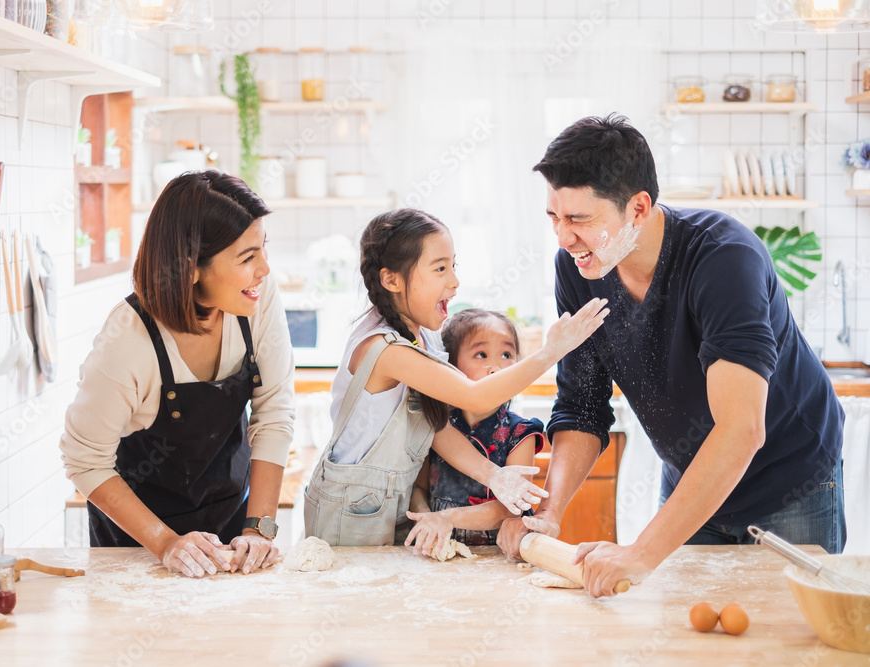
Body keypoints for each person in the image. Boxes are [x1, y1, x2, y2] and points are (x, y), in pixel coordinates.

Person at [497, 114, 846, 597]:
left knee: (786, 635)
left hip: (788, 480)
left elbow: (741, 428)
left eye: (580, 219)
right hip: (693, 478)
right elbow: (582, 405)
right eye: (555, 217)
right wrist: (550, 513)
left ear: (638, 208)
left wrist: (640, 552)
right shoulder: (579, 269)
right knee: (688, 634)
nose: (563, 237)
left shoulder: (723, 259)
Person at [304, 208, 609, 546]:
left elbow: (438, 428)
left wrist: (494, 475)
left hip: (391, 507)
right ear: (392, 280)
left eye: (453, 266)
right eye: (439, 269)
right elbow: (475, 395)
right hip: (349, 513)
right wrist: (553, 351)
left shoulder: (425, 338)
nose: (454, 281)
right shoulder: (385, 349)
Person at [60, 171, 295, 578]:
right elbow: (84, 460)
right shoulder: (127, 342)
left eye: (263, 249)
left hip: (231, 526)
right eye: (247, 257)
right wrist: (166, 543)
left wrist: (259, 530)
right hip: (137, 545)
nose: (265, 269)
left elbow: (273, 412)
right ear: (190, 269)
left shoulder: (254, 298)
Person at [404, 309, 545, 554]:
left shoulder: (521, 434)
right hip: (438, 550)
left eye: (506, 354)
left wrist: (447, 518)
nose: (496, 368)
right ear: (450, 365)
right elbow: (419, 489)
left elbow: (508, 508)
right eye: (481, 354)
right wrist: (426, 519)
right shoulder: (437, 424)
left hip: (496, 554)